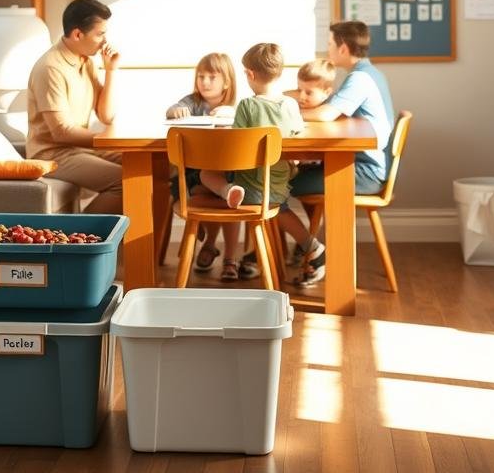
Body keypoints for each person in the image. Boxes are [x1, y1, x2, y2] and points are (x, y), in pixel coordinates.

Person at [277, 20, 394, 286]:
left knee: (275, 186)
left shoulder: (360, 78)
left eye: (330, 44)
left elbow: (327, 113)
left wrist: (286, 112)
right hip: (365, 164)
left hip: (364, 172)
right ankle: (306, 243)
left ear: (342, 48)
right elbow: (331, 107)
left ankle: (312, 250)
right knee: (297, 175)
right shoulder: (370, 73)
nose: (327, 49)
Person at [196, 43, 304, 281]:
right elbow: (298, 140)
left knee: (206, 174)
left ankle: (228, 191)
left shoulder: (247, 105)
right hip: (277, 189)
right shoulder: (291, 104)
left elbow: (237, 146)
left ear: (250, 74)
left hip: (250, 190)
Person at [26, 0, 123, 212]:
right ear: (78, 34)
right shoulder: (50, 68)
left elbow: (106, 116)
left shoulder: (85, 61)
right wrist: (107, 140)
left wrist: (110, 71)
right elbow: (61, 132)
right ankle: (77, 241)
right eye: (100, 34)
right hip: (53, 155)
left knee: (152, 167)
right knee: (124, 182)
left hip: (79, 149)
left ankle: (147, 245)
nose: (105, 42)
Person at [166, 53, 238, 277]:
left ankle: (228, 256)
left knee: (228, 194)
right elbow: (173, 108)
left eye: (212, 77)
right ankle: (216, 248)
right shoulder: (192, 103)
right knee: (219, 195)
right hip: (195, 176)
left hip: (228, 174)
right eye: (201, 76)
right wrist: (174, 111)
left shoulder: (238, 107)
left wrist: (233, 114)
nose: (205, 82)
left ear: (226, 82)